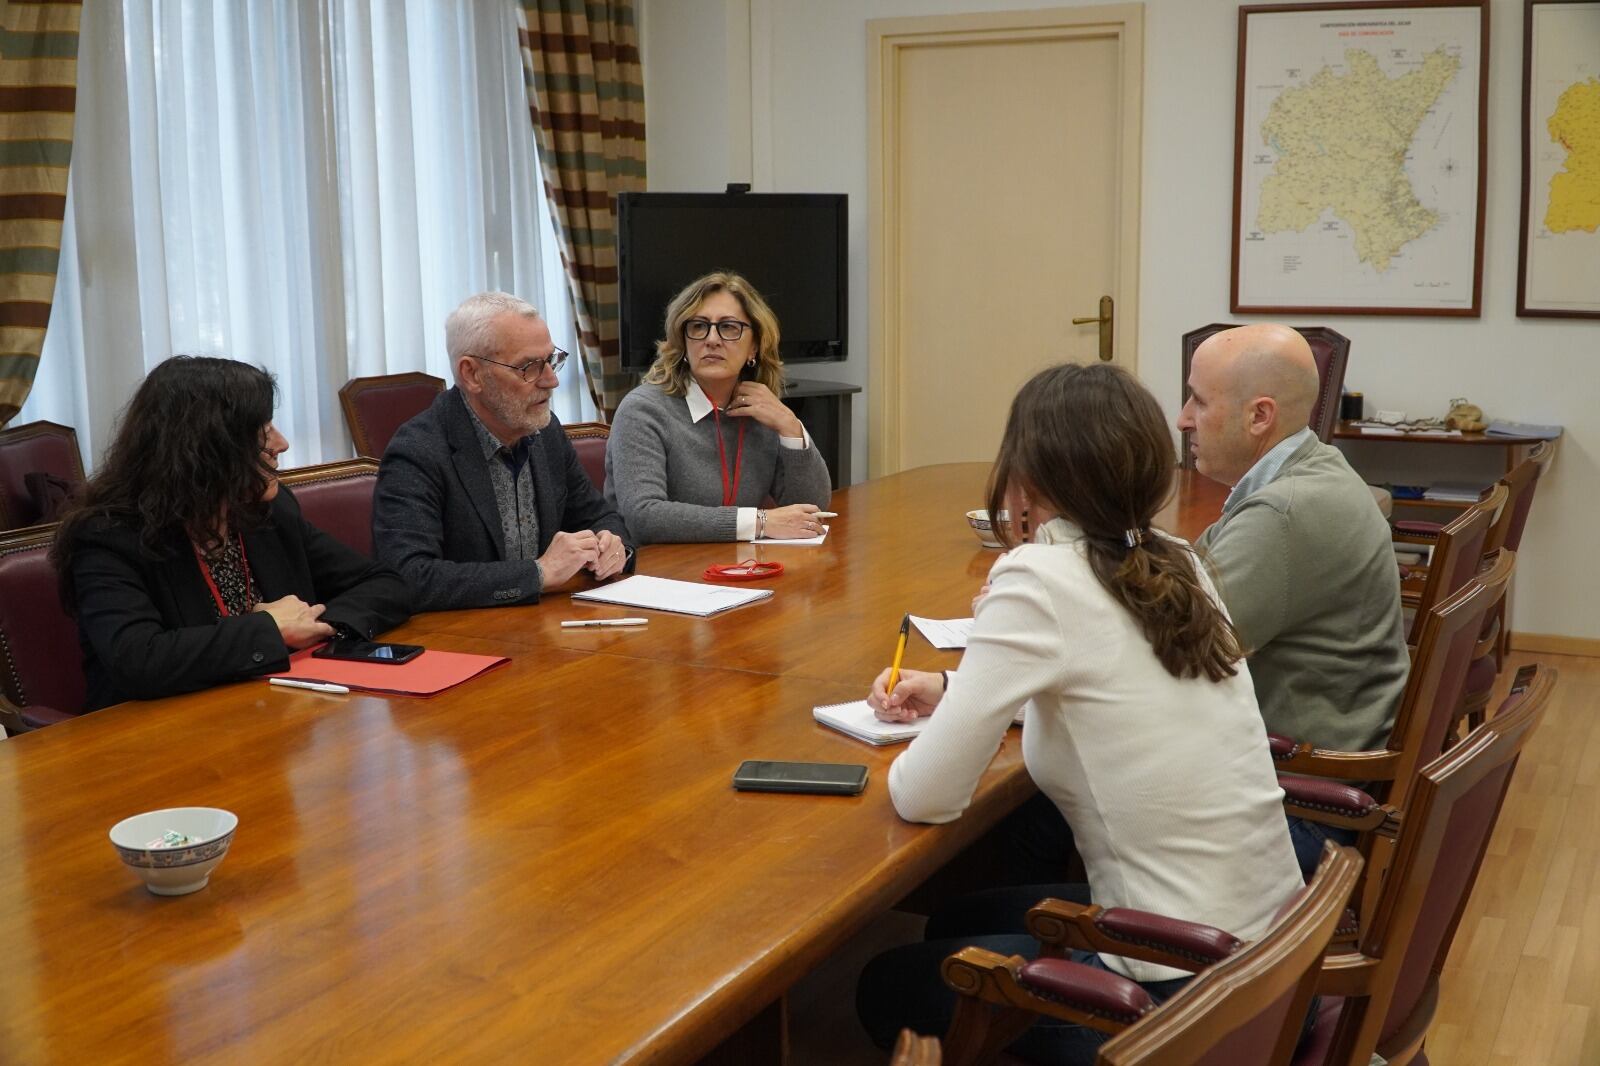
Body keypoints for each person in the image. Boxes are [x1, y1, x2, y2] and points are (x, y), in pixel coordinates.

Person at [855, 363, 1302, 1064]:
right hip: (1270, 959)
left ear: (1026, 475)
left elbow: (928, 797)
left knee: (884, 984)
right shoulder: (1177, 561)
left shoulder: (1038, 577)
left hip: (1176, 1003)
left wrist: (959, 706)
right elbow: (1113, 688)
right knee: (957, 916)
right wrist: (958, 687)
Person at [51, 356, 411, 712]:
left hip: (266, 716)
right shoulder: (108, 536)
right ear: (207, 449)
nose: (282, 444)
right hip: (156, 739)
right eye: (262, 432)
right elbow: (139, 659)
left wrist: (315, 625)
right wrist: (269, 629)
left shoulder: (267, 512)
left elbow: (384, 582)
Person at [1176, 323, 1407, 875]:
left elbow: (1178, 651)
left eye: (1198, 401)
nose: (1183, 417)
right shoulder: (1316, 468)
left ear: (1260, 417)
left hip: (1298, 809)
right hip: (1324, 770)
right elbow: (1197, 576)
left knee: (1045, 804)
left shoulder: (1283, 512)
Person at [372, 291, 633, 610]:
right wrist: (537, 573)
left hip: (546, 626)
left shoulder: (545, 430)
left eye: (551, 360)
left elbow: (600, 515)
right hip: (464, 641)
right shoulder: (418, 451)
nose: (551, 381)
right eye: (529, 367)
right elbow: (409, 576)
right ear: (472, 374)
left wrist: (614, 545)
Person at [603, 271, 832, 543]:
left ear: (754, 347)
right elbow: (645, 516)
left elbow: (809, 511)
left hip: (739, 567)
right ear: (683, 341)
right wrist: (759, 522)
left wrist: (790, 427)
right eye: (699, 326)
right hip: (657, 573)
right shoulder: (643, 410)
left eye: (729, 327)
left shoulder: (761, 409)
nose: (711, 339)